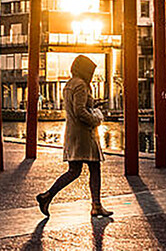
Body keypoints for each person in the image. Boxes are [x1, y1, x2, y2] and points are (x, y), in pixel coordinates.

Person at [36, 55, 113, 218]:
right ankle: (96, 205)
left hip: (72, 132)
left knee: (74, 170)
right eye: (90, 71)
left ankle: (47, 196)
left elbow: (75, 107)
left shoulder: (69, 84)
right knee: (94, 168)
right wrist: (96, 120)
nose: (92, 74)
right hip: (83, 134)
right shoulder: (81, 85)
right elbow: (79, 111)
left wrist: (92, 105)